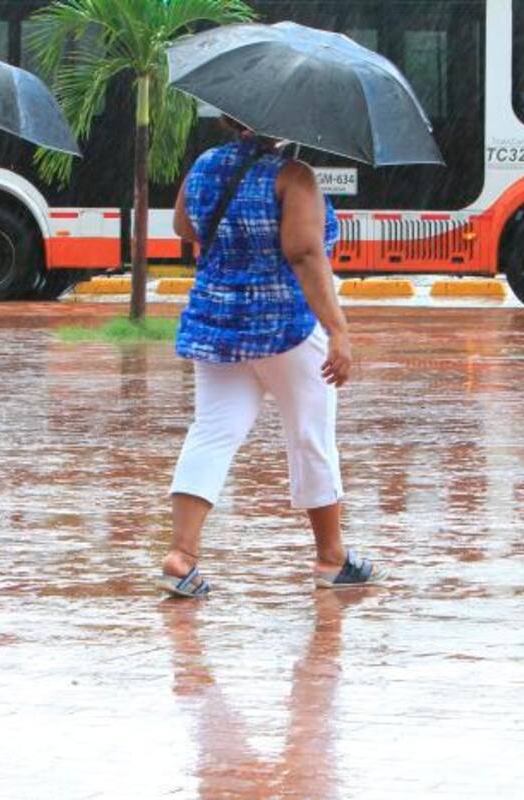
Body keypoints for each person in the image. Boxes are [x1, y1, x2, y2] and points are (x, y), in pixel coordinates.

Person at [158, 117, 388, 597]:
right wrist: (338, 330)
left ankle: (181, 556)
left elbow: (184, 226)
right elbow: (304, 255)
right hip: (286, 327)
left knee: (212, 432)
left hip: (218, 324)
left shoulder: (204, 165)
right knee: (310, 435)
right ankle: (331, 559)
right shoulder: (294, 176)